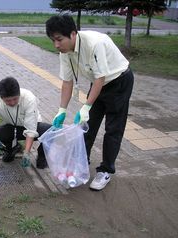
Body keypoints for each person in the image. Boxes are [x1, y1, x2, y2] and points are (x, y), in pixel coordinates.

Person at [46, 15, 134, 190]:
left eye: (59, 39)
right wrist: (61, 110)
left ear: (72, 34)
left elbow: (101, 78)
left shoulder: (95, 43)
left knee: (113, 129)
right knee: (86, 125)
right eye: (52, 40)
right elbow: (67, 82)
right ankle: (80, 162)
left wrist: (86, 106)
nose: (56, 45)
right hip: (98, 83)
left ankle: (106, 170)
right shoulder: (65, 52)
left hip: (118, 81)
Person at [0, 76, 51, 169]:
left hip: (33, 126)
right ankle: (12, 149)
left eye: (15, 99)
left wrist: (26, 153)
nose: (12, 103)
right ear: (1, 97)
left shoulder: (29, 98)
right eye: (7, 100)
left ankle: (42, 156)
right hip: (12, 127)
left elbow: (31, 130)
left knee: (51, 131)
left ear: (19, 93)